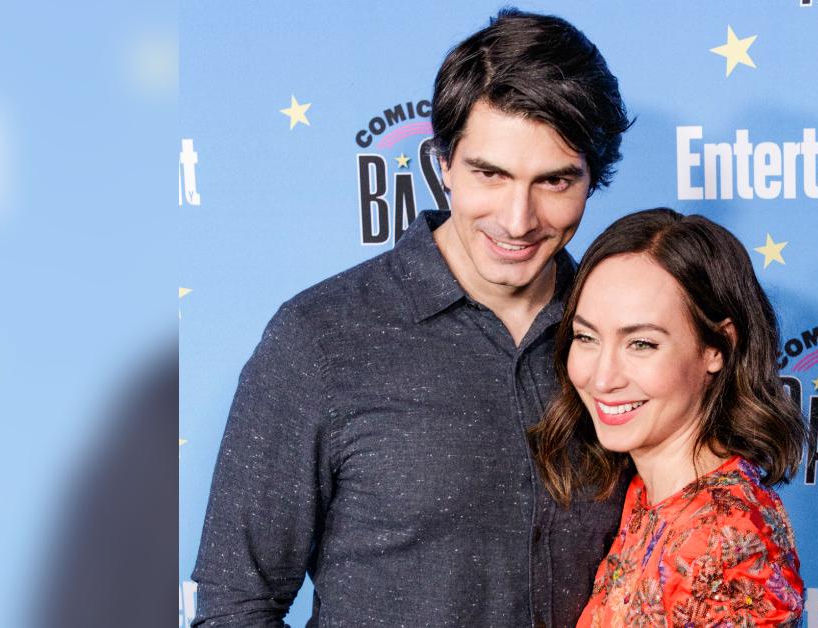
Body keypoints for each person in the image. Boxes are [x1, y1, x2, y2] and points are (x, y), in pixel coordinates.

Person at [191, 9, 631, 627]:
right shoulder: (322, 338)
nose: (517, 219)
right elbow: (237, 604)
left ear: (593, 180)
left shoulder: (627, 342)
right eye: (490, 174)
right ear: (444, 163)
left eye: (555, 182)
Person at [531, 208, 809, 626]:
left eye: (641, 344)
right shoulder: (645, 493)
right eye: (586, 337)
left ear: (716, 348)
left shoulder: (728, 539)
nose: (602, 378)